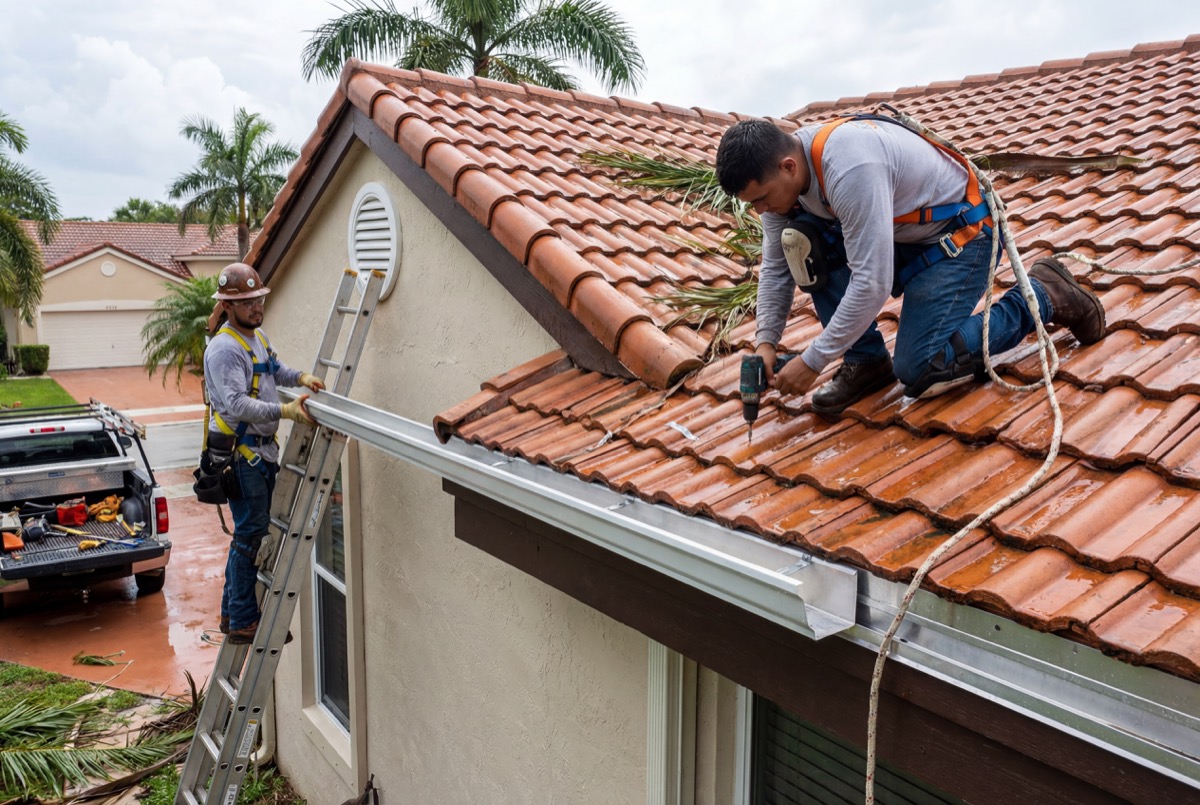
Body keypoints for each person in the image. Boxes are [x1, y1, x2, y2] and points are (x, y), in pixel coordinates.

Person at [715, 116, 1106, 415]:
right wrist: (766, 343)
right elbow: (777, 268)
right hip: (905, 237)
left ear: (787, 166)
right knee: (800, 240)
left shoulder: (848, 168)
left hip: (961, 237)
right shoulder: (781, 184)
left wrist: (812, 361)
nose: (761, 210)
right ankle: (865, 361)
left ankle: (1042, 295)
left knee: (920, 368)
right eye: (754, 204)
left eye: (762, 199)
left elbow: (872, 283)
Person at [203, 262, 325, 644]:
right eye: (248, 302)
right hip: (242, 457)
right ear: (227, 305)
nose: (257, 307)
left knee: (250, 534)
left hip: (259, 455)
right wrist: (285, 411)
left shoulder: (255, 337)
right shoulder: (224, 349)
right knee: (250, 537)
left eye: (259, 299)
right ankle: (242, 619)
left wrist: (300, 378)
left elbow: (274, 368)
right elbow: (237, 405)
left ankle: (231, 613)